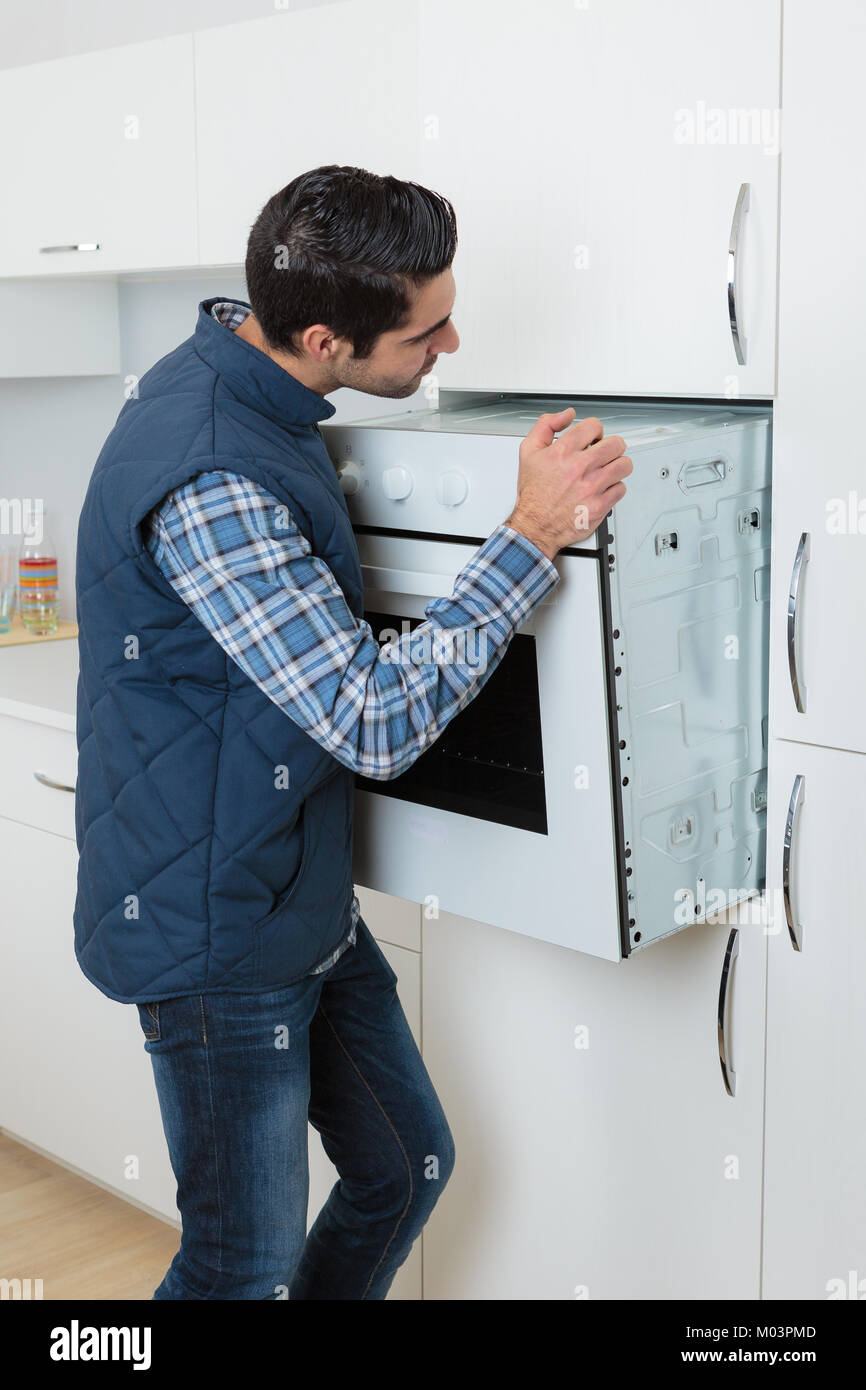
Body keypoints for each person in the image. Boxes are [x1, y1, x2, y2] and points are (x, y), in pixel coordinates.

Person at [73, 165, 632, 1299]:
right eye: (425, 332)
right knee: (241, 1265)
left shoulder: (252, 379)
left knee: (404, 1165)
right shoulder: (214, 472)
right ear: (325, 338)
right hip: (216, 936)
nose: (451, 343)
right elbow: (370, 719)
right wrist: (526, 535)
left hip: (290, 891)